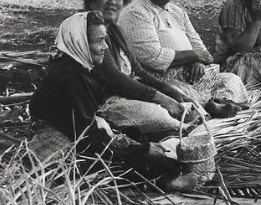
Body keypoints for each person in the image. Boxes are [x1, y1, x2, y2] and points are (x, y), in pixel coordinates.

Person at [28, 12, 201, 190]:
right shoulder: (66, 77)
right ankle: (163, 181)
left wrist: (131, 143)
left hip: (80, 132)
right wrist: (138, 149)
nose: (104, 47)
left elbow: (87, 123)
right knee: (105, 167)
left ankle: (163, 174)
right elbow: (86, 137)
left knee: (141, 152)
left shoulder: (81, 68)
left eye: (105, 40)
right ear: (80, 42)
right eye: (98, 41)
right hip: (59, 141)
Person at [118, 0, 248, 110]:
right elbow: (152, 57)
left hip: (192, 75)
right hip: (160, 79)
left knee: (231, 79)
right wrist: (194, 55)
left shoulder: (176, 11)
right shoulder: (136, 12)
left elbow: (200, 48)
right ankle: (209, 107)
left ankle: (220, 102)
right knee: (178, 94)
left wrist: (198, 62)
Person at [83, 0, 203, 125]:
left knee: (183, 101)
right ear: (92, 0)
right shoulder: (89, 29)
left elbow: (138, 71)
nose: (112, 2)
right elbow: (115, 78)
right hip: (104, 103)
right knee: (163, 117)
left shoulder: (115, 30)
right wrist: (161, 98)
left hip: (127, 94)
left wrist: (169, 91)